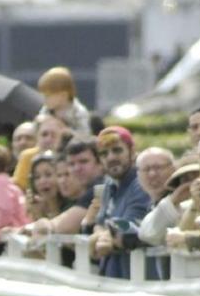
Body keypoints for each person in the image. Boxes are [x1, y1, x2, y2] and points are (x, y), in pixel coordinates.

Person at [88, 126, 151, 279]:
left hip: (137, 278)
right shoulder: (109, 184)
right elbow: (100, 224)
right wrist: (101, 233)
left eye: (117, 150)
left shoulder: (141, 183)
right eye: (104, 154)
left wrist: (103, 234)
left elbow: (127, 227)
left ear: (132, 151)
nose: (110, 158)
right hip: (113, 275)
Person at [36, 67, 92, 136]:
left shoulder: (78, 112)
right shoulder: (47, 109)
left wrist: (66, 131)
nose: (44, 100)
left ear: (63, 95)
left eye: (48, 96)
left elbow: (85, 135)